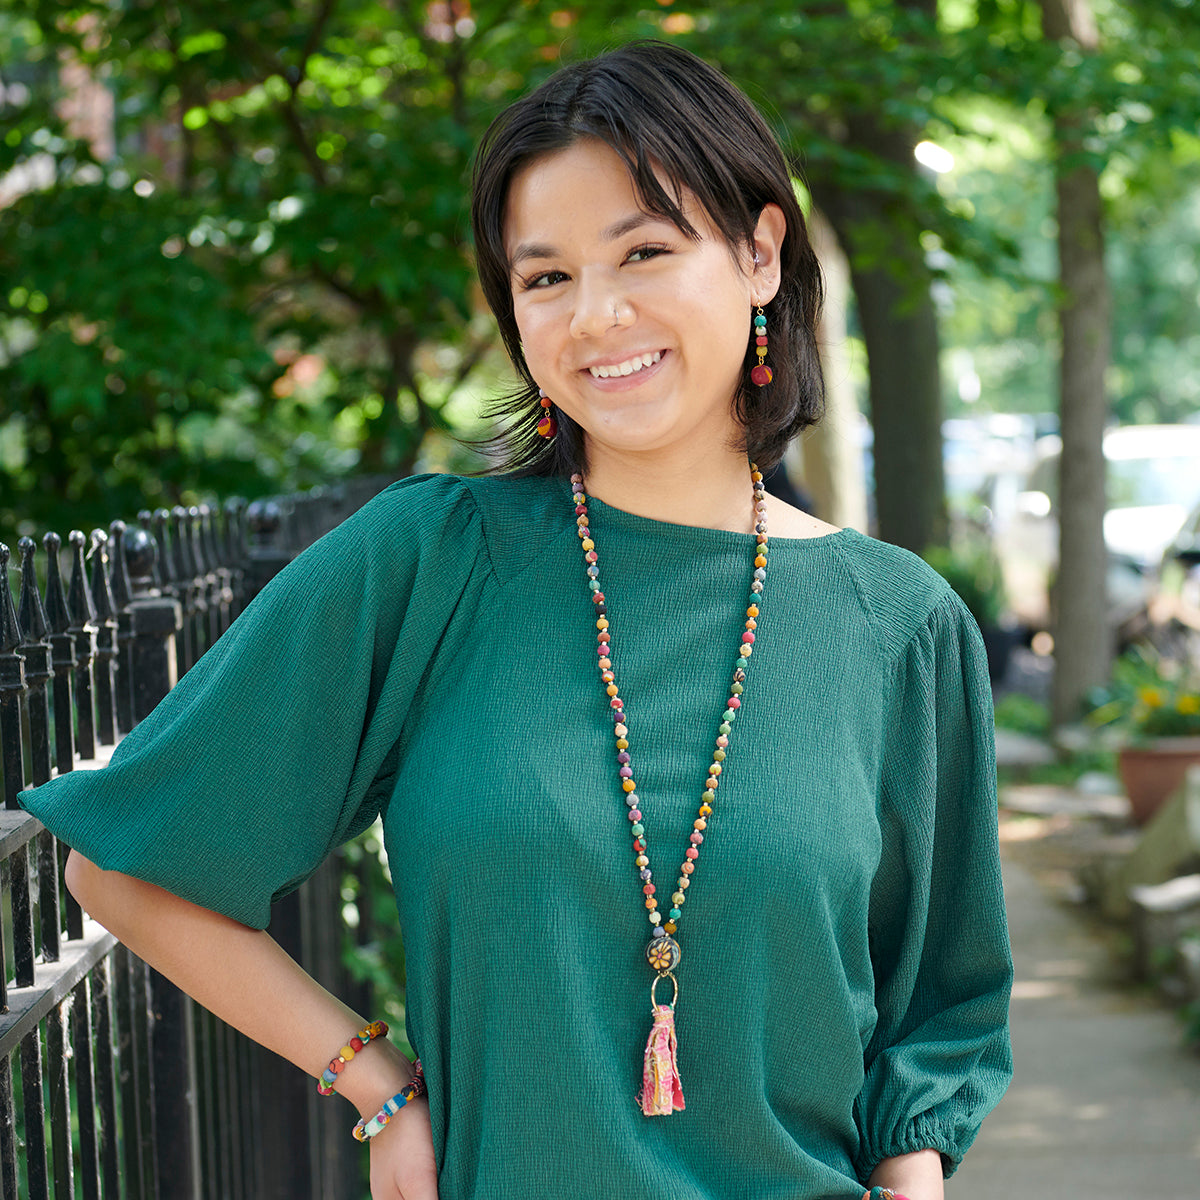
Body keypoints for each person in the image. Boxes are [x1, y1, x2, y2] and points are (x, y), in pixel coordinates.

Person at [21, 40, 1011, 1200]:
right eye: (545, 279)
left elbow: (935, 1007)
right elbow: (130, 869)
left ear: (758, 253)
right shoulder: (433, 561)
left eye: (644, 251)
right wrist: (373, 1082)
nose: (598, 315)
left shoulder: (899, 625)